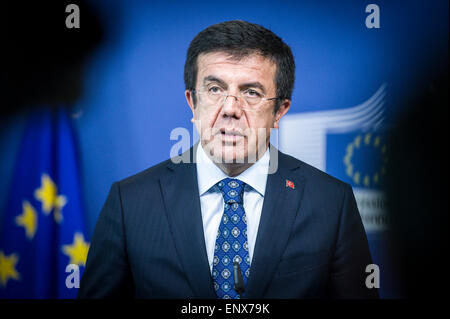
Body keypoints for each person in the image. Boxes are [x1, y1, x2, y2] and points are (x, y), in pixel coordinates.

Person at [78, 20, 378, 299]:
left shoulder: (331, 202)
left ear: (280, 110)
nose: (230, 108)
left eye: (251, 92)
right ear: (192, 102)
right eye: (214, 89)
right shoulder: (129, 202)